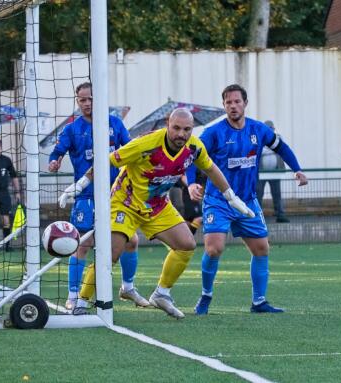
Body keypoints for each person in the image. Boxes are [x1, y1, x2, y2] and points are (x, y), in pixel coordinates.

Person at [62, 107, 254, 319]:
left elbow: (211, 169)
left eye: (187, 129)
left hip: (157, 205)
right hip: (125, 202)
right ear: (167, 124)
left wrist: (231, 196)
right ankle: (82, 300)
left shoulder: (194, 148)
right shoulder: (146, 144)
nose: (181, 134)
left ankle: (161, 293)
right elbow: (106, 161)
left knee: (187, 245)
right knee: (111, 254)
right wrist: (79, 185)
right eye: (177, 128)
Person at [188, 84, 308, 315]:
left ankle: (259, 302)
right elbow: (192, 156)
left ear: (245, 103)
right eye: (228, 103)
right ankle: (205, 296)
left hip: (247, 201)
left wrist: (297, 169)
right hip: (218, 200)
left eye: (237, 102)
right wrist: (192, 183)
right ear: (224, 105)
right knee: (214, 249)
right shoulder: (213, 133)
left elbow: (280, 146)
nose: (233, 106)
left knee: (262, 249)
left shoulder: (258, 129)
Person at [49, 82, 148, 311]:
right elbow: (57, 152)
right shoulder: (72, 129)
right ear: (78, 102)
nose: (87, 103)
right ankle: (73, 295)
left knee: (131, 241)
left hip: (117, 196)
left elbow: (130, 148)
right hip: (86, 196)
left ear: (99, 99)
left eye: (90, 99)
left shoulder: (114, 123)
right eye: (82, 100)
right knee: (82, 245)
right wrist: (55, 161)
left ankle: (128, 287)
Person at [0, 138, 21, 251]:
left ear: (1, 147)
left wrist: (17, 192)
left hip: (4, 193)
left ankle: (7, 246)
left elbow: (14, 177)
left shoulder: (6, 160)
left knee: (6, 219)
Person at [256, 120, 290, 223]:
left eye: (272, 129)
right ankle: (258, 216)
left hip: (275, 171)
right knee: (258, 194)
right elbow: (259, 151)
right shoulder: (258, 137)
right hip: (260, 172)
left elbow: (280, 149)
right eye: (268, 129)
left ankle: (280, 214)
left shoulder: (278, 137)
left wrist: (268, 149)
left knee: (277, 194)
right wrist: (271, 149)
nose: (271, 130)